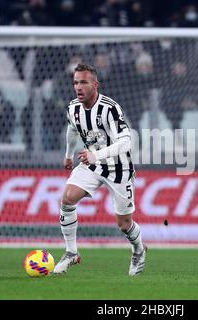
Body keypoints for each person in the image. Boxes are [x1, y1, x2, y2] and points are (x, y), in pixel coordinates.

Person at [54, 63, 146, 276]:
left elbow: (126, 142)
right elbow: (71, 129)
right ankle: (71, 253)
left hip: (118, 167)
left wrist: (97, 155)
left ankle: (139, 250)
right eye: (76, 82)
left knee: (124, 224)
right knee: (67, 198)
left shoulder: (109, 108)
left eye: (83, 82)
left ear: (95, 84)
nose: (78, 87)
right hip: (91, 163)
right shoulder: (73, 108)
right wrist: (68, 155)